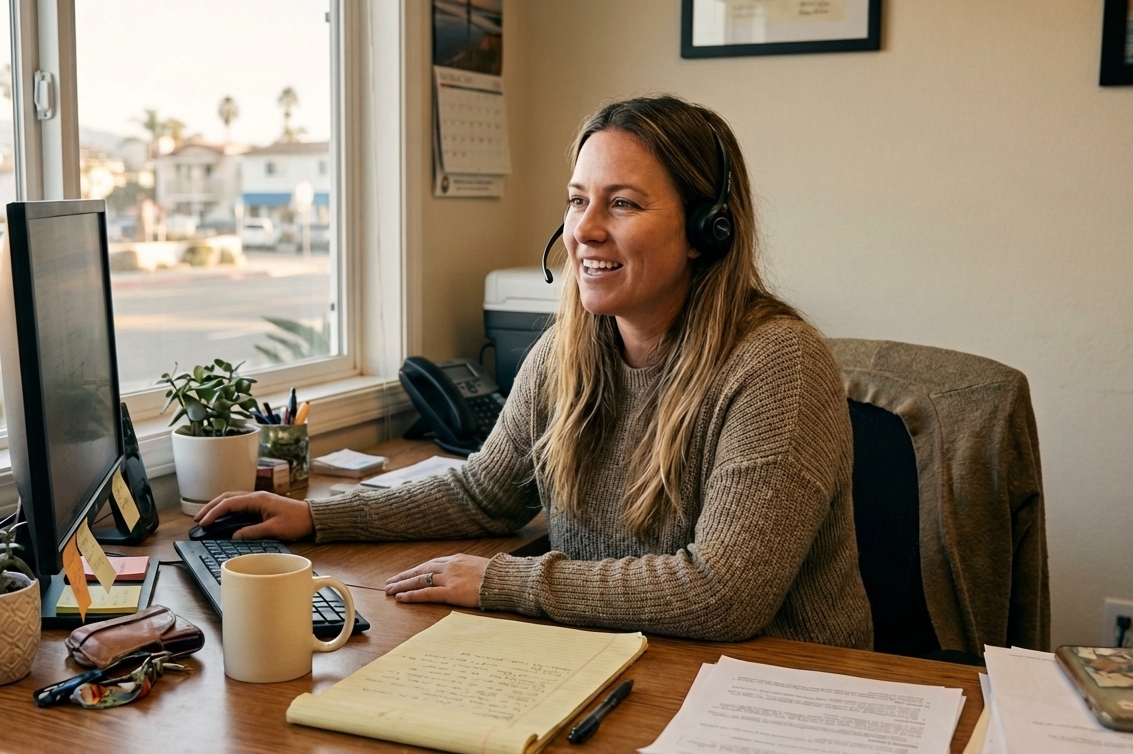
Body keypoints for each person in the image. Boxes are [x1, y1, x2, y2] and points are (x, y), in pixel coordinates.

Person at [197, 95, 873, 649]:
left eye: (624, 203)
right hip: (628, 659)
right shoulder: (567, 354)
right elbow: (483, 494)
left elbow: (723, 595)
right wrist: (315, 517)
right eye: (578, 201)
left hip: (779, 688)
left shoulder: (777, 365)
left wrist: (503, 582)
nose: (585, 231)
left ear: (708, 230)